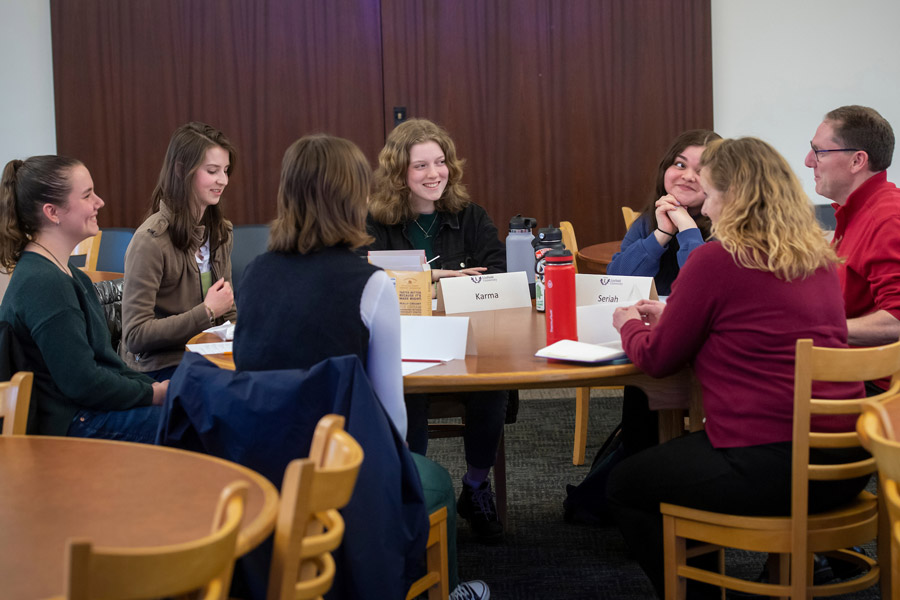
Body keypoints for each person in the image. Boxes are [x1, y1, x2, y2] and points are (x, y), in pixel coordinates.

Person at [606, 137, 870, 599]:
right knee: (684, 468)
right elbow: (757, 322)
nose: (705, 210)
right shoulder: (819, 256)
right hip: (848, 460)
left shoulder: (716, 258)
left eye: (709, 195)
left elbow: (657, 359)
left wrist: (628, 324)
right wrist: (677, 317)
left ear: (734, 197)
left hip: (775, 462)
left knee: (627, 484)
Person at [233, 134, 488, 600]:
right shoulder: (371, 287)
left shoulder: (252, 275)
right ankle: (436, 589)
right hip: (339, 468)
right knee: (434, 483)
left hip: (258, 460)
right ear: (352, 198)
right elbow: (391, 419)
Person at [564, 130, 721, 524]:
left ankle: (637, 494)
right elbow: (616, 279)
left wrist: (687, 230)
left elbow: (702, 288)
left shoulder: (726, 225)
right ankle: (634, 491)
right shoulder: (651, 218)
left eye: (700, 170)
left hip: (708, 354)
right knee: (642, 390)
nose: (685, 175)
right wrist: (661, 233)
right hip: (660, 345)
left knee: (648, 390)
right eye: (679, 164)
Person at [366, 118, 509, 544]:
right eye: (420, 166)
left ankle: (477, 485)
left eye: (440, 162)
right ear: (399, 175)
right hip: (404, 347)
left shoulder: (472, 217)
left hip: (466, 343)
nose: (434, 174)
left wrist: (430, 280)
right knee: (411, 392)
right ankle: (413, 490)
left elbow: (498, 276)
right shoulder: (374, 223)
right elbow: (361, 279)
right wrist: (440, 278)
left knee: (495, 386)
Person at [0, 155, 166, 440]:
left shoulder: (69, 275)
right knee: (192, 421)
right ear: (53, 212)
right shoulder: (43, 283)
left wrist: (154, 388)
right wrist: (152, 393)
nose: (99, 202)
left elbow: (104, 366)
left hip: (86, 411)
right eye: (88, 195)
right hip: (70, 425)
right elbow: (83, 382)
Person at [120, 122, 237, 381]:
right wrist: (206, 313)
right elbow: (135, 336)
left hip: (205, 355)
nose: (223, 180)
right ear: (182, 170)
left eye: (226, 170)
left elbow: (227, 312)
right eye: (212, 170)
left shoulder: (220, 231)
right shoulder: (150, 241)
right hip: (160, 366)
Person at [804, 105, 900, 388]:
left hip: (873, 390)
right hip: (849, 374)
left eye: (819, 151)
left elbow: (897, 321)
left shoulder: (887, 218)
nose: (809, 161)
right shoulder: (855, 213)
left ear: (858, 161)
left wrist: (809, 330)